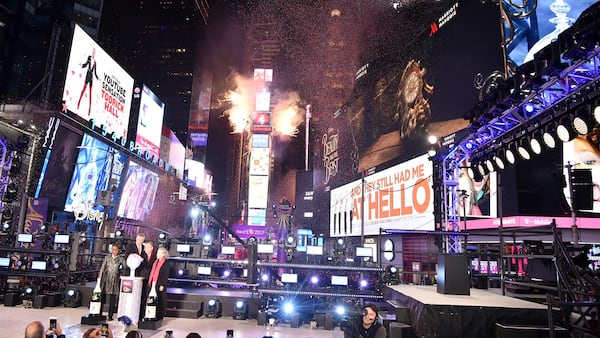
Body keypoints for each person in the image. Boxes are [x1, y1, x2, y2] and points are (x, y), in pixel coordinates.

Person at [99, 243, 125, 320]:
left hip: (115, 280)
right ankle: (100, 314)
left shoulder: (121, 259)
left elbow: (124, 268)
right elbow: (102, 268)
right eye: (113, 249)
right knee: (103, 297)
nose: (114, 251)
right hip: (106, 280)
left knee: (112, 299)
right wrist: (99, 278)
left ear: (118, 250)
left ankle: (110, 315)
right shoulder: (107, 258)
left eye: (115, 249)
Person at [145, 247, 171, 320]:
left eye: (159, 253)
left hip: (159, 283)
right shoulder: (155, 262)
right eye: (157, 253)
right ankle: (151, 314)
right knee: (151, 298)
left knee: (160, 299)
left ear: (163, 254)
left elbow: (165, 275)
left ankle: (160, 315)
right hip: (153, 282)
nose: (157, 254)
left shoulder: (166, 263)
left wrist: (162, 284)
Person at [77, 47, 99, 116]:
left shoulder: (95, 62)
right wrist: (82, 65)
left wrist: (98, 77)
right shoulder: (89, 58)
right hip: (88, 75)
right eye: (93, 52)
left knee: (90, 94)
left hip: (91, 77)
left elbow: (95, 72)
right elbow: (86, 64)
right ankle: (78, 103)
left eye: (94, 52)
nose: (93, 53)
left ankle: (89, 109)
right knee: (83, 90)